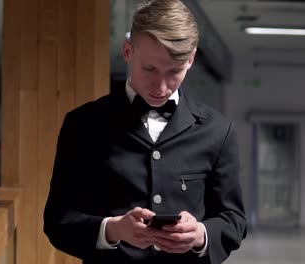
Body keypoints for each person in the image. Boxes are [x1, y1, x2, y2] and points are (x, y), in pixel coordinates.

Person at [43, 0, 247, 263]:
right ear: (128, 51)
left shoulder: (219, 130)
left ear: (191, 59)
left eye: (174, 72)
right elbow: (58, 222)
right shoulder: (82, 124)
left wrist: (200, 234)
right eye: (149, 69)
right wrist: (113, 229)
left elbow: (234, 221)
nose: (161, 87)